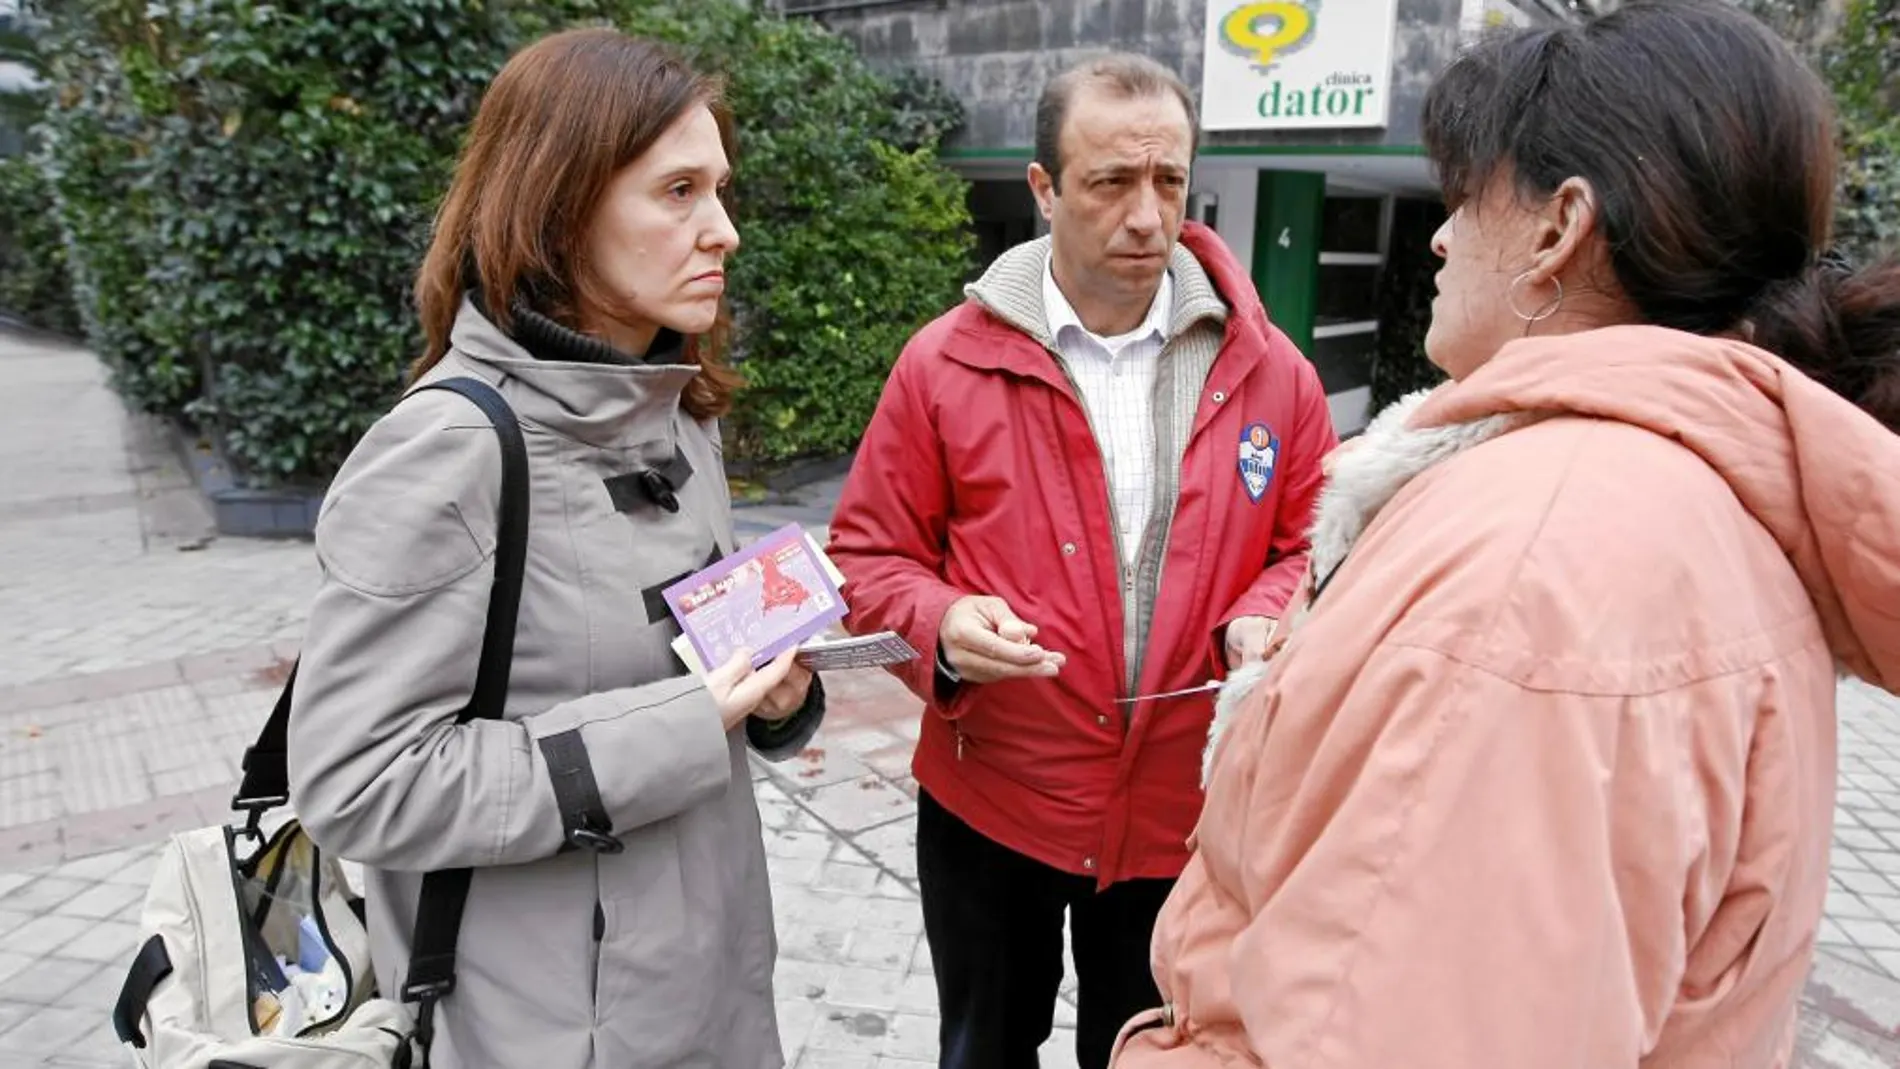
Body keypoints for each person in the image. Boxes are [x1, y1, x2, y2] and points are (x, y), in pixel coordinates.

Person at [1110, 3, 1900, 1066]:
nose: (1436, 236)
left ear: (1557, 226)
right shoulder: (1662, 502)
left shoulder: (1536, 566)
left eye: (1463, 197)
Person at [286, 29, 822, 1069]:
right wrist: (675, 722)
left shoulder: (680, 417)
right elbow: (359, 781)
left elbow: (691, 662)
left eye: (720, 189)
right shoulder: (446, 451)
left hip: (713, 985)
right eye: (677, 192)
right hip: (538, 1026)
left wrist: (776, 694)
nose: (724, 233)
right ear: (560, 203)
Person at [826, 52, 1337, 1069]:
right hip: (991, 802)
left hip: (1181, 817)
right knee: (983, 1047)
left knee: (1148, 1051)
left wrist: (1273, 604)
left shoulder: (1272, 370)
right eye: (1110, 183)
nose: (1148, 217)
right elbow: (868, 555)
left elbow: (1316, 546)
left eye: (1169, 183)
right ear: (1043, 190)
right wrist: (940, 624)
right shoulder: (943, 363)